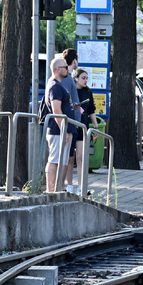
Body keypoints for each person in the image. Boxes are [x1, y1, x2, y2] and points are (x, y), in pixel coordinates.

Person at [43, 57, 73, 193]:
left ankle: (59, 188)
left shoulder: (59, 85)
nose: (68, 69)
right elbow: (56, 110)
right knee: (55, 159)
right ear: (57, 69)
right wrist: (63, 130)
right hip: (57, 130)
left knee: (62, 160)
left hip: (61, 129)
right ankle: (51, 190)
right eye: (65, 67)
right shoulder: (54, 86)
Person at [60, 48, 84, 191]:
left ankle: (64, 185)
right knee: (65, 157)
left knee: (69, 157)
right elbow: (64, 100)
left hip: (72, 122)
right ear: (74, 60)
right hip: (68, 123)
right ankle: (61, 185)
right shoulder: (67, 78)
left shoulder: (67, 77)